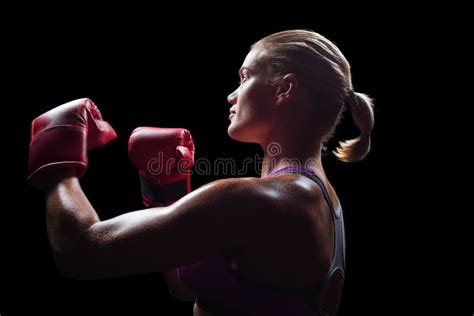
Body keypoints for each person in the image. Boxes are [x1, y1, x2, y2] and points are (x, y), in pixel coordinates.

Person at [27, 29, 374, 316]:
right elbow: (185, 285)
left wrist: (58, 162)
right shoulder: (324, 201)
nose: (231, 95)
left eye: (245, 77)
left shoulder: (262, 200)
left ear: (285, 88)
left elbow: (80, 253)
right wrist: (166, 191)